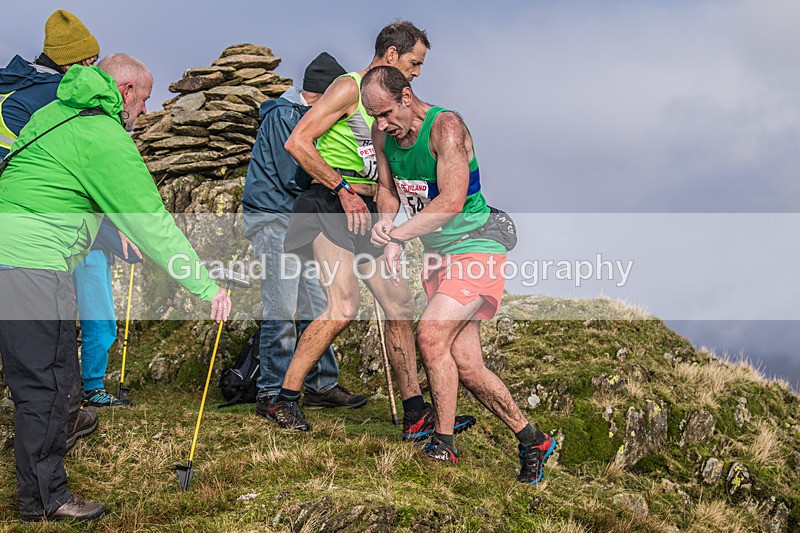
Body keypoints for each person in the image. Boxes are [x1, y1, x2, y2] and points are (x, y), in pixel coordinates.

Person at [0, 54, 231, 521]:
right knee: (45, 387)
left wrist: (106, 231)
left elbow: (49, 187)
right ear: (124, 91)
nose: (145, 112)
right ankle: (44, 502)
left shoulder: (54, 113)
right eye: (144, 100)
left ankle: (41, 492)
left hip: (22, 261)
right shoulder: (103, 135)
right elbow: (154, 224)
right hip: (32, 265)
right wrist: (207, 288)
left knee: (56, 377)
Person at [266, 21, 474, 438]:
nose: (417, 72)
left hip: (367, 210)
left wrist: (389, 225)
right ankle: (282, 399)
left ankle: (416, 412)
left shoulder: (398, 102)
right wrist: (341, 189)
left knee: (398, 304)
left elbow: (390, 178)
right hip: (329, 203)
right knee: (343, 307)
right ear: (392, 55)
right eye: (414, 62)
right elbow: (298, 142)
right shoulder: (347, 87)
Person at [362, 66, 557, 484]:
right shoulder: (384, 136)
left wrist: (398, 235)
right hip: (438, 254)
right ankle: (533, 439)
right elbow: (389, 190)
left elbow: (451, 201)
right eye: (373, 116)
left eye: (385, 113)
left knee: (430, 334)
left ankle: (443, 445)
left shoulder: (446, 129)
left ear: (407, 97)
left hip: (476, 245)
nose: (380, 125)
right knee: (467, 365)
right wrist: (384, 223)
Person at [0, 8, 105, 450]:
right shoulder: (56, 98)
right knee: (54, 336)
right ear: (77, 64)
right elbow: (74, 170)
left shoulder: (8, 88)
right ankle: (63, 419)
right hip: (33, 233)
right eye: (91, 64)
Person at [242, 52, 367, 411]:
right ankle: (271, 391)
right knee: (281, 306)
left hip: (301, 218)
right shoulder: (285, 116)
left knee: (319, 302)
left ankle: (320, 384)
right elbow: (293, 173)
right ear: (325, 91)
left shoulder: (301, 114)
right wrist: (335, 183)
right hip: (273, 217)